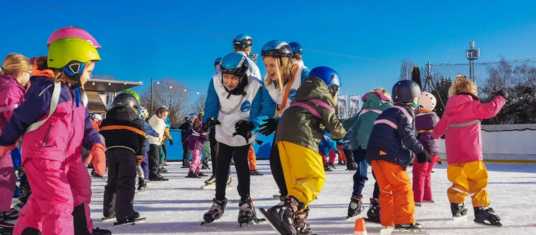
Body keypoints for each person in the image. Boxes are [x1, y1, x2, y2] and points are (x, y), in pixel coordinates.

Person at [0, 38, 110, 235]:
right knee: (59, 203)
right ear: (73, 67)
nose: (89, 77)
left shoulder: (75, 94)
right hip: (43, 156)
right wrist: (5, 142)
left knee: (67, 195)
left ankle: (34, 230)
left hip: (67, 158)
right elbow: (19, 118)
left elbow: (87, 127)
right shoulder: (47, 89)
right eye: (88, 71)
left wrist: (96, 146)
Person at [261, 66, 345, 235]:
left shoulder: (301, 97)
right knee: (314, 177)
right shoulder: (322, 95)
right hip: (302, 137)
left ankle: (297, 221)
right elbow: (334, 127)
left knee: (297, 183)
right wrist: (343, 133)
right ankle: (286, 210)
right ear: (331, 86)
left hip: (282, 139)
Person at [202, 52, 268, 227]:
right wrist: (208, 118)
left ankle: (245, 202)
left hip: (243, 128)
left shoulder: (255, 85)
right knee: (221, 161)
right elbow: (211, 104)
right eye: (226, 76)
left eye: (234, 77)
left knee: (240, 162)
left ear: (243, 75)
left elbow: (257, 111)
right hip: (223, 126)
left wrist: (251, 125)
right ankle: (219, 201)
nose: (229, 81)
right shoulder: (215, 81)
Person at [432, 75, 506, 226]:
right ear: (472, 92)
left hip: (454, 155)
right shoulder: (472, 106)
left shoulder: (448, 111)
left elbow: (438, 129)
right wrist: (501, 97)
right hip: (471, 153)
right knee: (478, 181)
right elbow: (490, 110)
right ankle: (481, 209)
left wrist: (433, 136)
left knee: (458, 182)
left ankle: (457, 206)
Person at [366, 80, 430, 232]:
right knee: (402, 187)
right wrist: (420, 151)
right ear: (413, 98)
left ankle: (389, 221)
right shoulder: (405, 112)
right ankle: (405, 220)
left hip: (374, 155)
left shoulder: (387, 111)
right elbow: (406, 134)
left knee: (386, 189)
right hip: (390, 155)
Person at [258, 40, 310, 199]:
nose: (268, 70)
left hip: (302, 125)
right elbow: (266, 110)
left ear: (284, 62)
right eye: (265, 65)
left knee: (296, 166)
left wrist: (280, 121)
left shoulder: (303, 74)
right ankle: (286, 197)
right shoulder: (268, 81)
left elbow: (309, 105)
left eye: (272, 65)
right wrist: (251, 125)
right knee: (276, 161)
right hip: (284, 125)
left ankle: (299, 203)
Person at [344, 88, 392, 221]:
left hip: (357, 143)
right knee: (380, 174)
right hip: (376, 143)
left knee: (361, 172)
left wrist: (334, 131)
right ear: (385, 97)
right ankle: (376, 204)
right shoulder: (388, 107)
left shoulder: (364, 108)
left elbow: (348, 123)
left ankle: (355, 200)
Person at [99, 92, 146, 224]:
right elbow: (142, 141)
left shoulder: (107, 120)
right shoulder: (136, 121)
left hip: (111, 152)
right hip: (128, 152)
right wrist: (139, 157)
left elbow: (101, 136)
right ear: (132, 105)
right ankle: (125, 213)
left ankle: (109, 211)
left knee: (112, 182)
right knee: (126, 182)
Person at [0, 53, 32, 226]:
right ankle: (1, 216)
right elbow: (14, 118)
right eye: (29, 73)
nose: (29, 78)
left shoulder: (3, 85)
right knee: (5, 180)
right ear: (20, 72)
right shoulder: (11, 89)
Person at [413, 92, 440, 206]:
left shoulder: (419, 117)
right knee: (427, 174)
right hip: (434, 150)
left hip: (423, 150)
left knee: (419, 173)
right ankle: (427, 196)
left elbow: (412, 116)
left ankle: (417, 198)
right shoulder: (435, 117)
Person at [136, 106, 158, 192]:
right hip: (143, 147)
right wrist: (156, 134)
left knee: (136, 163)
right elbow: (152, 131)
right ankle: (144, 178)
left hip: (133, 146)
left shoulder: (132, 122)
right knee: (144, 163)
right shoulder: (144, 123)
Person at [148, 106, 170, 181]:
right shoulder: (156, 119)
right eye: (164, 115)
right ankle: (154, 174)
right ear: (159, 113)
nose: (165, 117)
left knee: (155, 159)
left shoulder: (160, 120)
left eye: (166, 116)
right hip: (153, 141)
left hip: (156, 142)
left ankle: (154, 173)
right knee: (155, 159)